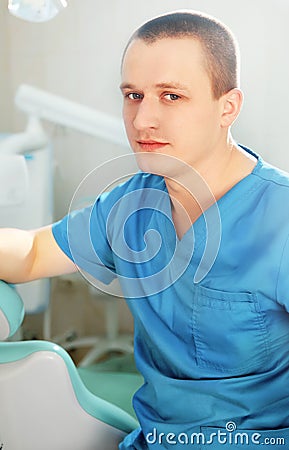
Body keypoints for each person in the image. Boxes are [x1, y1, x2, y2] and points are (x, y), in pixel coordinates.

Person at [1, 9, 289, 449]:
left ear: (227, 107)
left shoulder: (279, 217)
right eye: (133, 96)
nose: (141, 121)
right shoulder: (131, 204)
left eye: (171, 96)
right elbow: (33, 253)